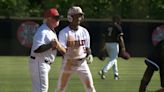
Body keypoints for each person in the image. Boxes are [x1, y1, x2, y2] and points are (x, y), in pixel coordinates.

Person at [55, 6, 96, 92]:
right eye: (76, 16)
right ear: (70, 17)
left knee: (90, 87)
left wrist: (89, 54)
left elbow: (87, 48)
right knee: (60, 88)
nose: (79, 18)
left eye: (80, 16)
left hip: (82, 63)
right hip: (68, 63)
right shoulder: (64, 32)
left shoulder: (84, 31)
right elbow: (62, 50)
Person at [28, 8, 66, 92]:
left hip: (43, 63)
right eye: (56, 18)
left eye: (58, 18)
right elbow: (36, 49)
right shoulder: (43, 31)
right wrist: (50, 45)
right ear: (48, 19)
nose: (58, 20)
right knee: (42, 90)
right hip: (39, 62)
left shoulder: (50, 31)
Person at [98, 15, 127, 80]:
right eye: (119, 20)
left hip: (107, 44)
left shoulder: (107, 26)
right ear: (116, 20)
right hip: (114, 44)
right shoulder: (118, 27)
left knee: (113, 59)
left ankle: (116, 75)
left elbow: (103, 38)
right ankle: (103, 70)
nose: (120, 21)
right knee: (113, 59)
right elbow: (120, 38)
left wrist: (103, 46)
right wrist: (123, 47)